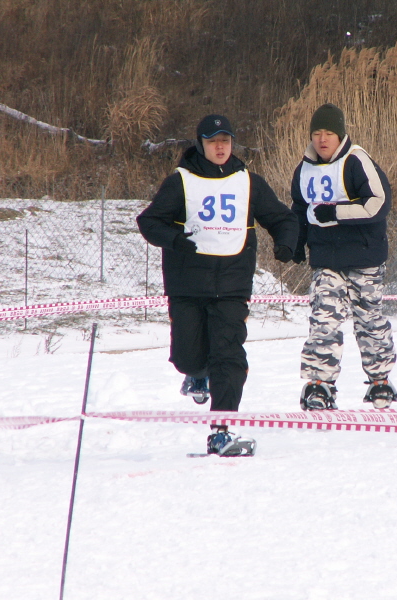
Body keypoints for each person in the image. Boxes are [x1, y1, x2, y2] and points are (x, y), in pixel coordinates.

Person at [137, 114, 298, 455]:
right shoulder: (180, 182)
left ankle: (220, 432)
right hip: (187, 285)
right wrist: (175, 240)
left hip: (232, 286)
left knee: (229, 359)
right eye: (213, 141)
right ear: (201, 144)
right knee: (187, 356)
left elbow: (281, 217)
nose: (220, 146)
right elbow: (149, 221)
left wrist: (286, 243)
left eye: (225, 140)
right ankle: (196, 373)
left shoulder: (249, 182)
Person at [290, 103, 397, 410]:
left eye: (328, 133)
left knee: (369, 320)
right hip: (326, 258)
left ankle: (380, 381)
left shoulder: (356, 161)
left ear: (340, 135)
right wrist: (296, 242)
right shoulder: (303, 169)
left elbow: (378, 202)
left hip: (364, 256)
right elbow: (300, 209)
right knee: (323, 319)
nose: (322, 139)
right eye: (316, 133)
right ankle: (319, 385)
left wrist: (336, 212)